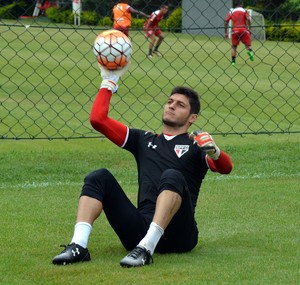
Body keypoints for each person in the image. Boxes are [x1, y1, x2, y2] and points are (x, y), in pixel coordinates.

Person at [52, 64, 233, 267]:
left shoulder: (195, 144)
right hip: (139, 231)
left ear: (193, 118)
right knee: (98, 177)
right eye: (170, 101)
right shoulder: (144, 140)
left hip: (180, 235)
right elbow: (98, 120)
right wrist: (109, 81)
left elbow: (225, 167)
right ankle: (78, 246)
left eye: (180, 105)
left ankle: (146, 249)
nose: (171, 106)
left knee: (172, 175)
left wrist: (214, 151)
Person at [224, 1, 254, 66]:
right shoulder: (244, 11)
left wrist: (225, 32)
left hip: (235, 30)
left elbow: (226, 21)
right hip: (244, 30)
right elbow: (248, 19)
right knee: (248, 45)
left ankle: (233, 62)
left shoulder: (232, 11)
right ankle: (250, 51)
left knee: (234, 47)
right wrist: (249, 29)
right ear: (241, 4)